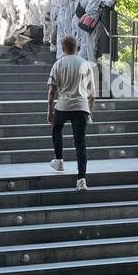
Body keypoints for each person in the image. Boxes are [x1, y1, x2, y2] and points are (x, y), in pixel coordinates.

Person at [47, 34, 96, 191]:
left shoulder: (58, 64)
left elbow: (52, 90)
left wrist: (49, 110)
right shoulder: (85, 64)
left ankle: (59, 160)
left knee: (57, 130)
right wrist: (90, 111)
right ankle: (81, 179)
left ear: (63, 48)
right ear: (77, 48)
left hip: (63, 105)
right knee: (80, 143)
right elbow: (92, 93)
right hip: (81, 107)